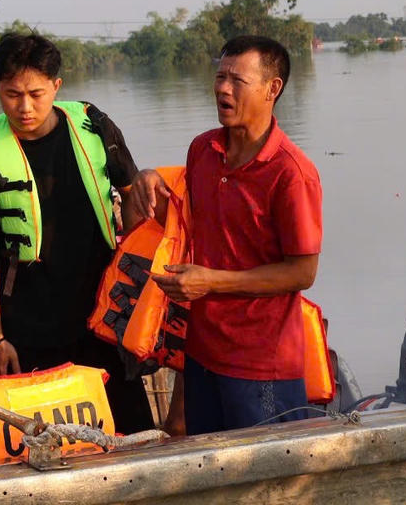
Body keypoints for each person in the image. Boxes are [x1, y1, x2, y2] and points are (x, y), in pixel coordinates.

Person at [0, 32, 155, 434]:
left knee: (134, 431)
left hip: (104, 317)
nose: (24, 107)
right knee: (51, 446)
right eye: (12, 95)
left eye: (36, 93)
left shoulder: (95, 129)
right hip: (31, 326)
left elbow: (136, 205)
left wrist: (142, 302)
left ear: (56, 87)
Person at [128, 35, 322, 435]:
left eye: (236, 80)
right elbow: (188, 219)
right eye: (219, 77)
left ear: (273, 89)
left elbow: (302, 273)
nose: (222, 88)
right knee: (210, 468)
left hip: (261, 362)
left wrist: (210, 281)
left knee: (270, 480)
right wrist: (147, 180)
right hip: (201, 352)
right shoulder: (203, 150)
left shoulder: (291, 173)